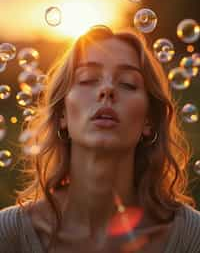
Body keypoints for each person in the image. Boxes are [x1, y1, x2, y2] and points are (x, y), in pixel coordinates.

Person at [0, 25, 200, 253]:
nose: (107, 89)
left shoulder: (191, 238)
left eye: (127, 83)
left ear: (149, 120)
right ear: (62, 114)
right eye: (87, 79)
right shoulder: (8, 236)